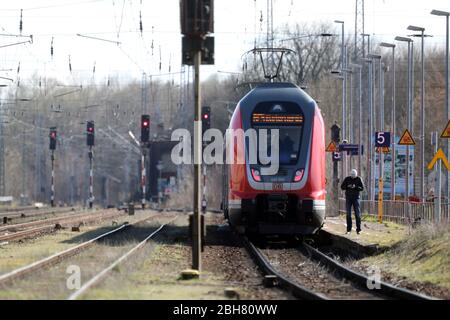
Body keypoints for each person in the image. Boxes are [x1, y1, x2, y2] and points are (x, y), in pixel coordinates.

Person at [341, 169, 364, 235]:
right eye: (352, 175)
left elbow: (362, 188)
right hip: (348, 198)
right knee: (348, 214)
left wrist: (355, 187)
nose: (353, 177)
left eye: (354, 175)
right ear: (350, 174)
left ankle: (358, 229)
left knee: (357, 213)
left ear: (356, 175)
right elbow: (342, 187)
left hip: (356, 198)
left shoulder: (359, 179)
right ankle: (349, 229)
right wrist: (347, 186)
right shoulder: (347, 179)